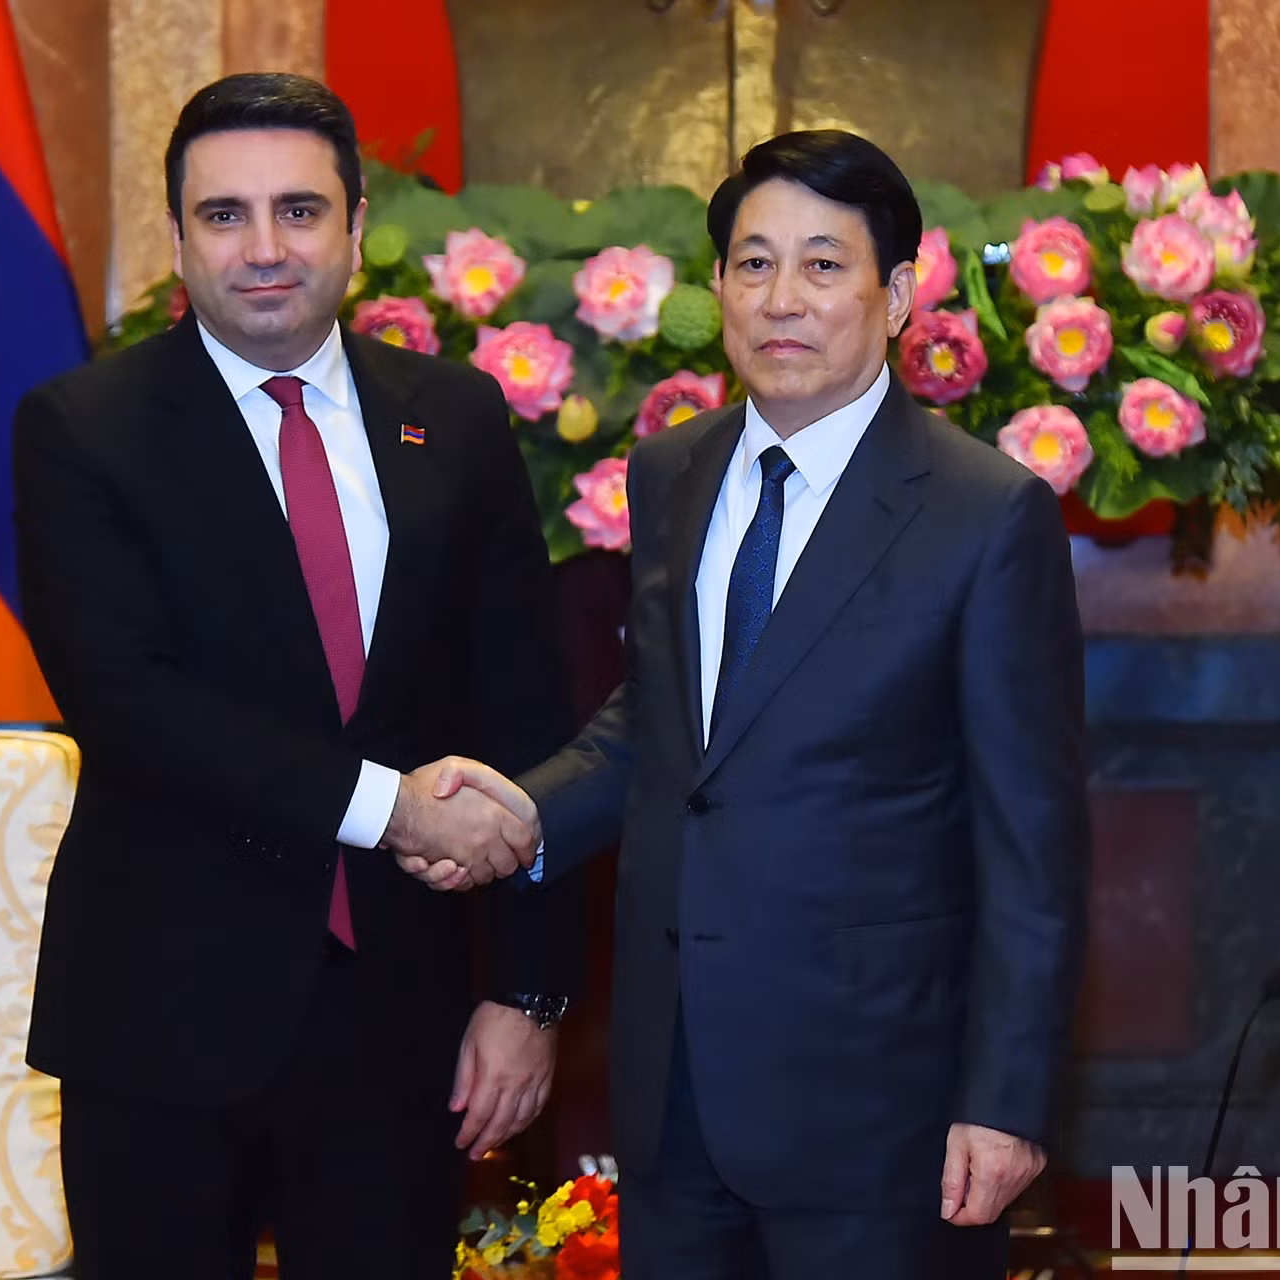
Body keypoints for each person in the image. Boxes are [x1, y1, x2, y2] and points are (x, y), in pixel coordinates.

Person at [409, 129, 1090, 1279]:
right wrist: (520, 816)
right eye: (754, 262)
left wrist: (1008, 1099)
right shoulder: (673, 472)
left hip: (884, 1111)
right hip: (672, 1090)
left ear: (899, 293)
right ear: (718, 285)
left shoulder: (986, 516)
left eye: (825, 265)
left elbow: (1035, 837)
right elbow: (668, 724)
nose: (784, 298)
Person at [12, 72, 583, 1280]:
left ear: (358, 227)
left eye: (299, 210)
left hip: (401, 1023)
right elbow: (127, 702)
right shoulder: (81, 425)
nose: (265, 248)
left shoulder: (461, 416)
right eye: (225, 215)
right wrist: (394, 806)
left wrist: (529, 993)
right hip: (161, 1014)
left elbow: (525, 709)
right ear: (178, 239)